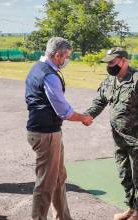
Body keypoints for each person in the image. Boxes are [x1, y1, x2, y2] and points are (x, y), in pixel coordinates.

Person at [85, 47, 138, 220]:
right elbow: (100, 100)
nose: (109, 66)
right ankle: (131, 208)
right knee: (124, 175)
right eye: (108, 63)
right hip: (119, 139)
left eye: (113, 62)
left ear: (124, 61)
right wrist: (88, 115)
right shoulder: (110, 80)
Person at [25, 37, 93, 220]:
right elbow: (63, 111)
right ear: (57, 55)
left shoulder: (37, 68)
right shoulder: (49, 75)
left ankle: (63, 217)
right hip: (45, 134)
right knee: (46, 182)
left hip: (48, 132)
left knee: (58, 178)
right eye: (66, 56)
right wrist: (83, 118)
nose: (67, 60)